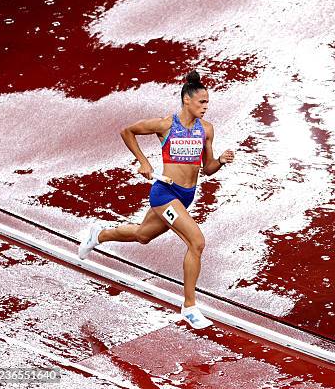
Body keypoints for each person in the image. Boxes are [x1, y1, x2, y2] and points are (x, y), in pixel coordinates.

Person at [78, 70, 234, 329]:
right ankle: (189, 306)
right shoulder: (165, 125)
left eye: (207, 102)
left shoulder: (206, 130)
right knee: (196, 242)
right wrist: (143, 161)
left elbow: (206, 168)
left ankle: (99, 235)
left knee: (142, 235)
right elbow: (127, 131)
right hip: (165, 194)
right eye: (202, 102)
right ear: (187, 100)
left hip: (185, 196)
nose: (206, 107)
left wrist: (220, 161)